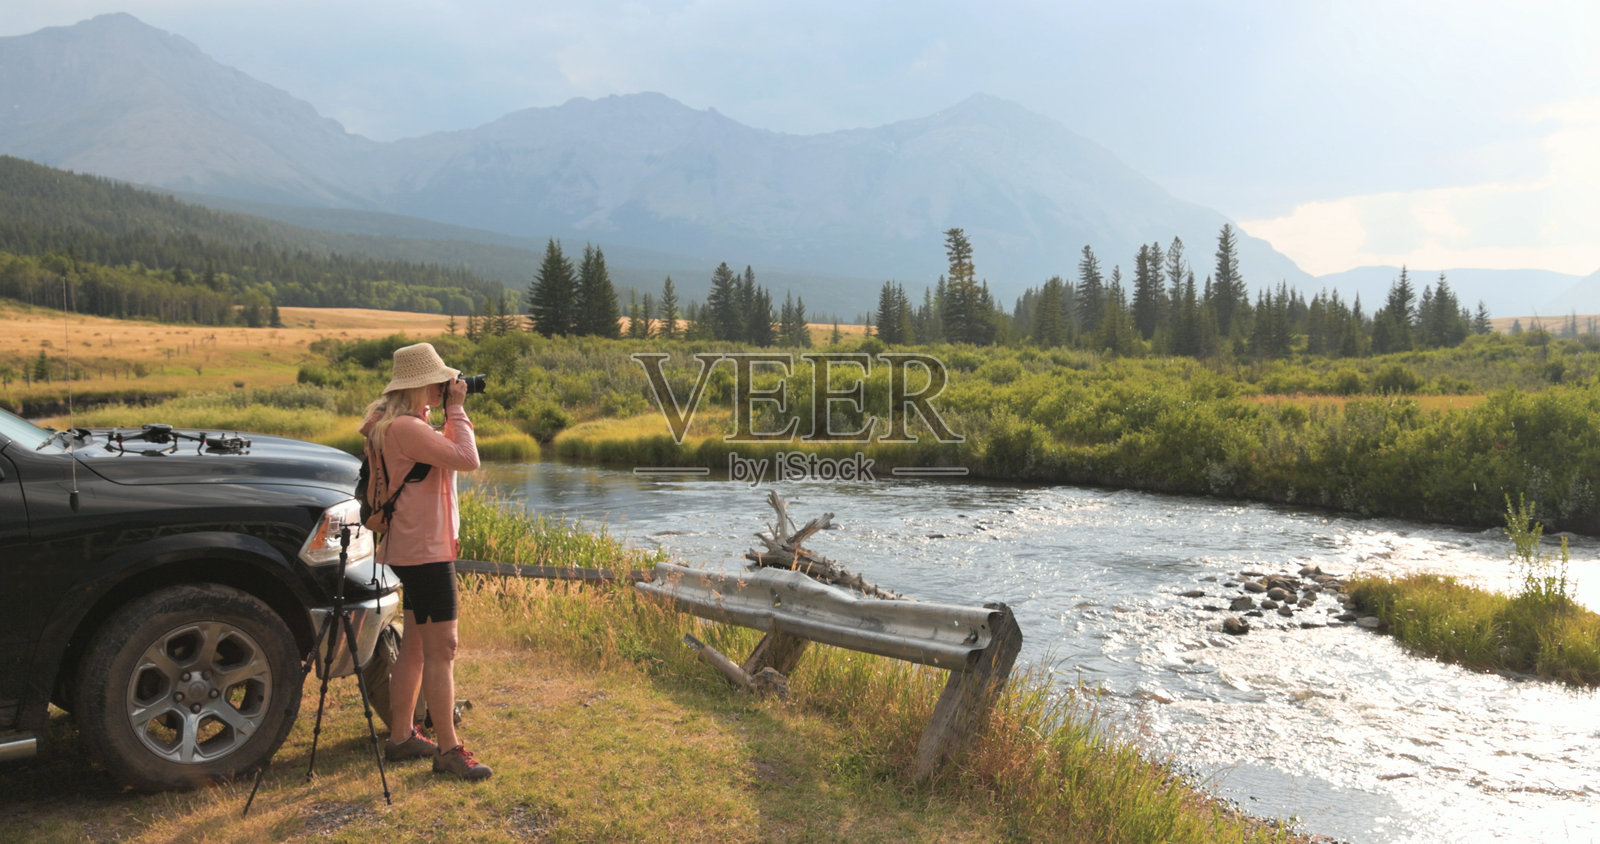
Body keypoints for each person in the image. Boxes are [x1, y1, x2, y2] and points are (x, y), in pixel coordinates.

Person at [359, 342, 491, 781]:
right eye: (439, 382)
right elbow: (467, 459)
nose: (446, 387)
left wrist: (446, 414)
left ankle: (401, 737)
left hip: (412, 546)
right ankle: (449, 750)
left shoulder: (397, 424)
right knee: (443, 648)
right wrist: (458, 410)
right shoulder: (407, 429)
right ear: (420, 385)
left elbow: (446, 457)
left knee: (415, 645)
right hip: (425, 551)